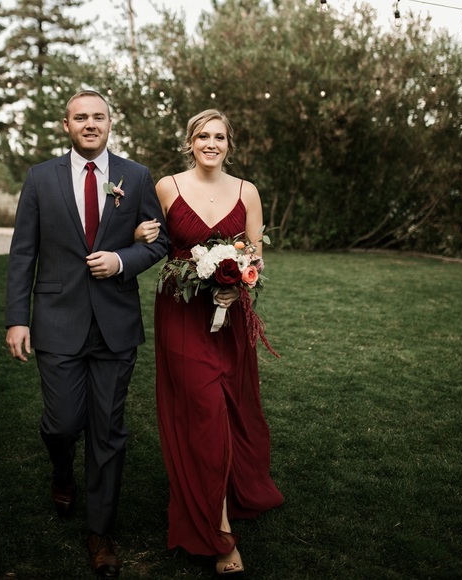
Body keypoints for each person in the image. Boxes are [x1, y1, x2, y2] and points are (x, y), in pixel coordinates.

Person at [5, 89, 169, 579]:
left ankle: (101, 533)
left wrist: (121, 259)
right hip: (57, 320)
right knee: (62, 424)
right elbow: (23, 252)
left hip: (116, 324)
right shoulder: (40, 178)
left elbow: (159, 239)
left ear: (110, 123)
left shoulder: (136, 176)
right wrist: (17, 318)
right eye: (81, 117)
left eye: (98, 116)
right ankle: (61, 470)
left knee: (108, 431)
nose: (90, 124)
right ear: (67, 125)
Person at [152, 109, 284, 575]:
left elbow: (257, 258)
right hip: (181, 314)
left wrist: (239, 282)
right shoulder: (167, 187)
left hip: (229, 318)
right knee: (203, 412)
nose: (211, 143)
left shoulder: (247, 192)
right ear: (190, 142)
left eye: (219, 137)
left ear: (230, 144)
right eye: (203, 136)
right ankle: (220, 532)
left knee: (231, 407)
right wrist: (138, 232)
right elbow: (152, 244)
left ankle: (232, 487)